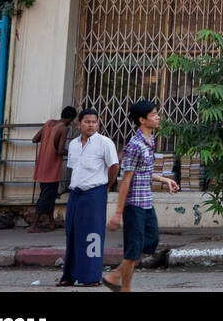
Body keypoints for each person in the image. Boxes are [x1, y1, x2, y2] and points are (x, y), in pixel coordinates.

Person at [103, 100, 178, 292]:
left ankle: (116, 278)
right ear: (142, 120)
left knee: (149, 242)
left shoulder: (149, 141)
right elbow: (126, 179)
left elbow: (144, 171)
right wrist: (118, 212)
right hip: (134, 205)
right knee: (133, 251)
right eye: (153, 114)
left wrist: (164, 180)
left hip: (146, 203)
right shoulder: (135, 145)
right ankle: (122, 284)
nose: (158, 117)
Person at [58, 108, 119, 287]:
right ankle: (69, 275)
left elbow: (114, 166)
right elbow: (74, 168)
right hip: (76, 193)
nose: (91, 125)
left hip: (95, 193)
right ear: (79, 124)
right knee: (73, 233)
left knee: (92, 236)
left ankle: (91, 277)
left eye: (94, 122)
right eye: (87, 122)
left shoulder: (105, 143)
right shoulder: (75, 144)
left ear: (98, 123)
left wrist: (107, 185)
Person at [29, 106, 76, 233]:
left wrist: (47, 141)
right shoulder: (63, 128)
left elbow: (35, 139)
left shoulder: (48, 123)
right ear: (71, 119)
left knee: (49, 195)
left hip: (41, 165)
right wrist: (75, 152)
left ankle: (51, 223)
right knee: (45, 196)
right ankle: (34, 225)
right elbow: (60, 150)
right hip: (52, 168)